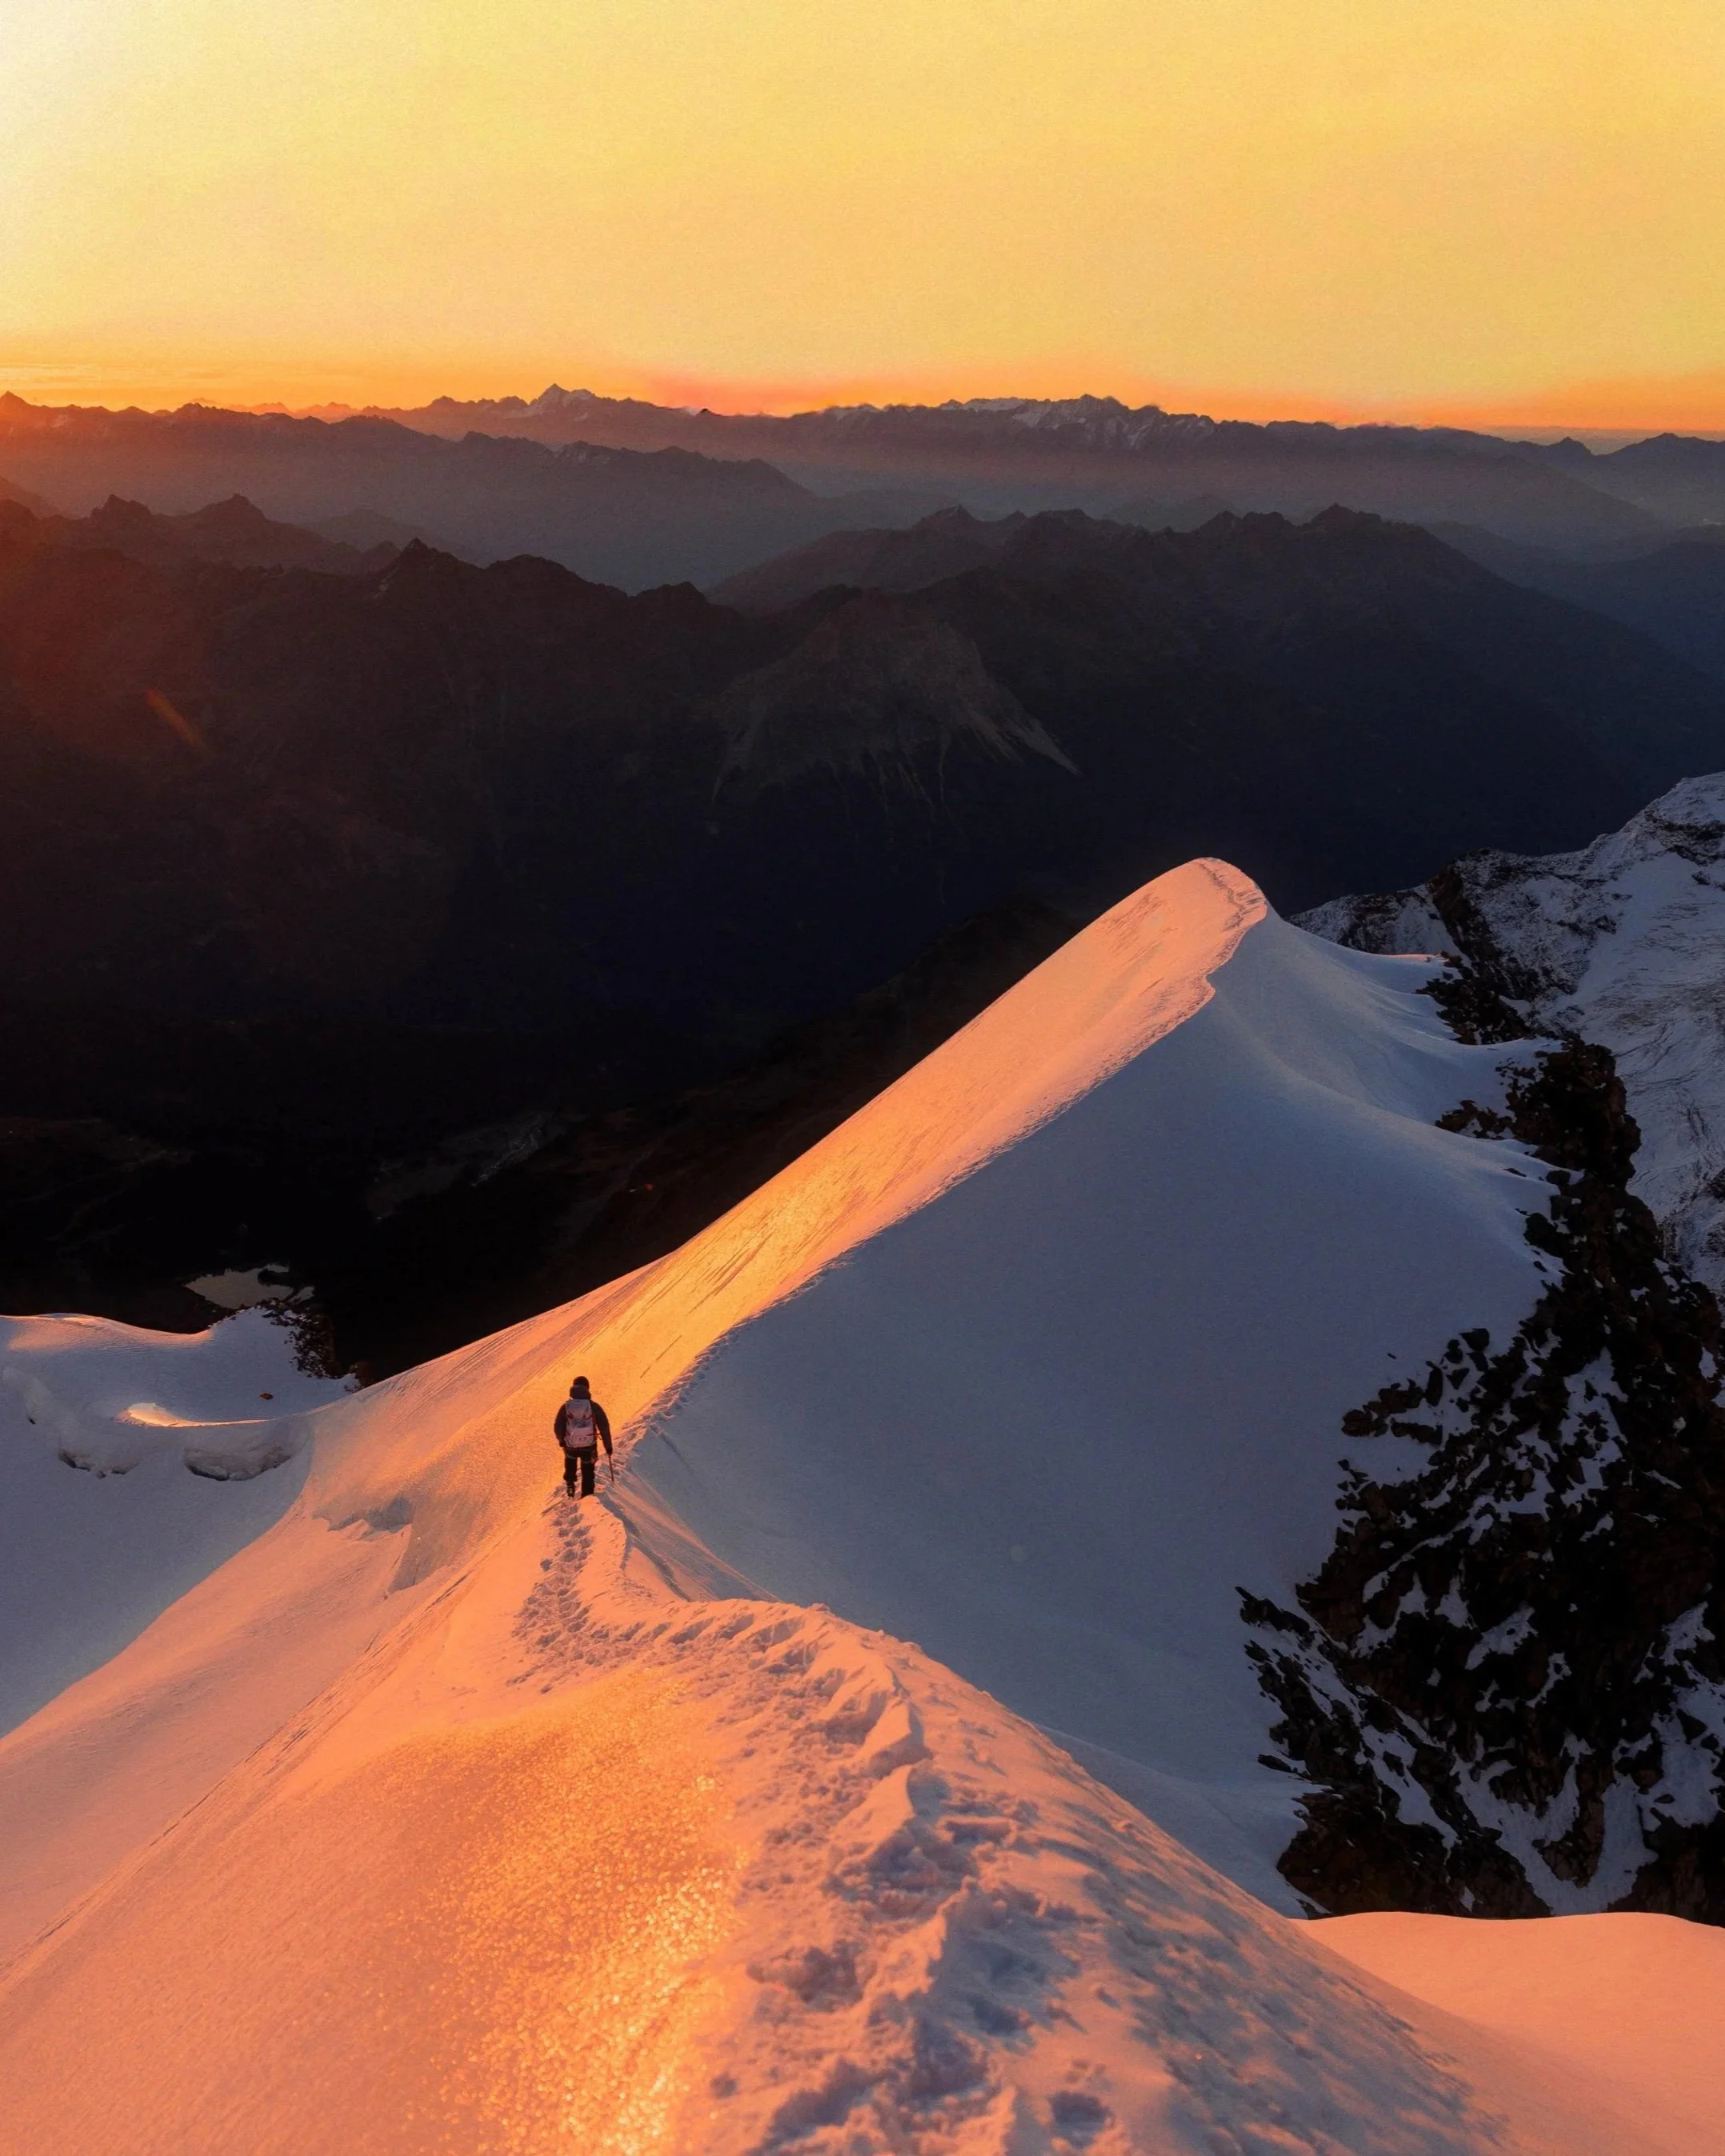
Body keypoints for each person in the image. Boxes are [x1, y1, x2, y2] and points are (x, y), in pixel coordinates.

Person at [554, 1374, 613, 1498]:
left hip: (571, 1445)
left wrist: (561, 1440)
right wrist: (608, 1447)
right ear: (587, 1388)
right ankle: (587, 1495)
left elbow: (558, 1425)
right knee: (587, 1470)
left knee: (570, 1460)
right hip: (589, 1445)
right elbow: (604, 1427)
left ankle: (570, 1483)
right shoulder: (593, 1406)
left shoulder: (566, 1407)